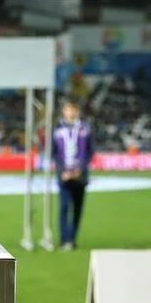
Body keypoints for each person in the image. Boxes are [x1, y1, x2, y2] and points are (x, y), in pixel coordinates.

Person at [51, 99, 94, 251]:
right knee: (63, 207)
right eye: (68, 109)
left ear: (78, 112)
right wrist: (62, 170)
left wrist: (79, 170)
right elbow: (54, 153)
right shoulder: (57, 130)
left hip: (80, 176)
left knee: (77, 209)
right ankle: (64, 239)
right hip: (64, 176)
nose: (71, 112)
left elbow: (89, 152)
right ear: (64, 111)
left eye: (74, 109)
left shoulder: (85, 129)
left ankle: (72, 239)